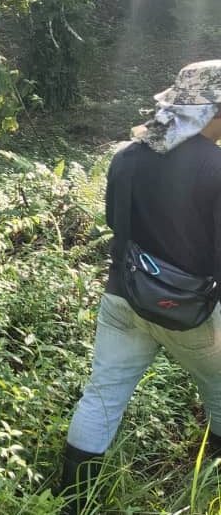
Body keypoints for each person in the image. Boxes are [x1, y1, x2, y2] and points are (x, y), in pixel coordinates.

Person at [59, 60, 221, 513]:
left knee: (103, 394)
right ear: (212, 113)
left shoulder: (127, 156)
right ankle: (210, 487)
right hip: (190, 309)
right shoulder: (217, 168)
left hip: (122, 296)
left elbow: (115, 222)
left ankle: (74, 502)